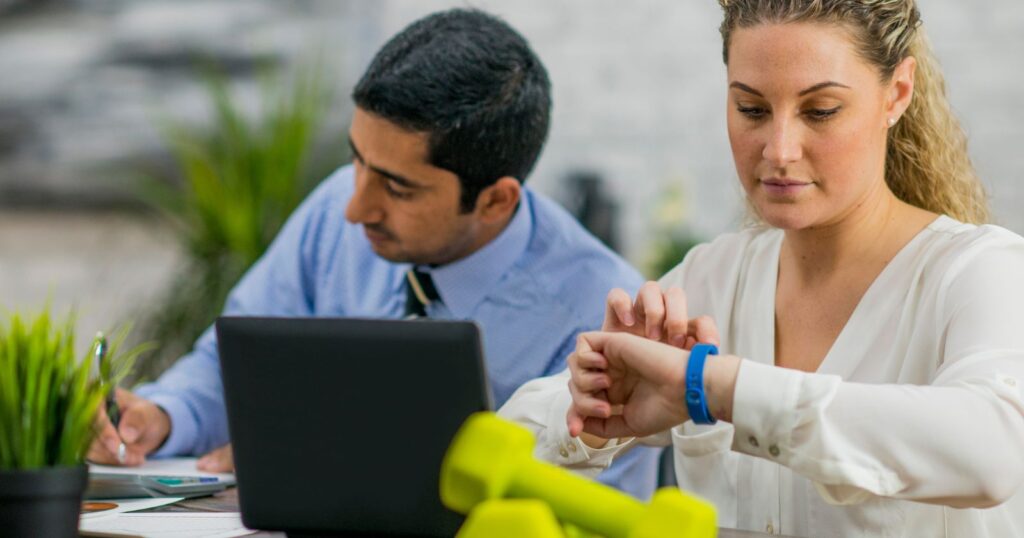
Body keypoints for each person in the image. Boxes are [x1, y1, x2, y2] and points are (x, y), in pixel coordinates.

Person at [87, 8, 659, 499]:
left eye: (397, 187)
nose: (355, 208)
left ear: (494, 201)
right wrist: (161, 416)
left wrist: (329, 464)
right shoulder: (336, 207)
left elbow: (587, 510)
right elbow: (227, 366)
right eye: (357, 159)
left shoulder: (603, 315)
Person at [499, 0, 1024, 535]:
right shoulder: (713, 277)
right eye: (751, 110)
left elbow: (993, 451)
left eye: (820, 111)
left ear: (898, 93)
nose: (779, 150)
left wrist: (719, 388)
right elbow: (504, 436)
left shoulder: (980, 272)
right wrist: (593, 403)